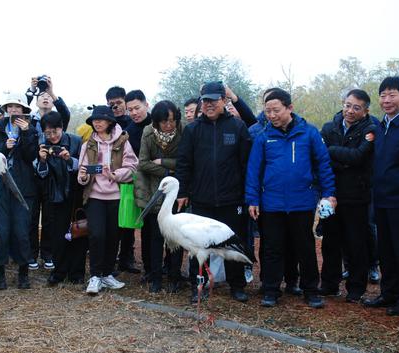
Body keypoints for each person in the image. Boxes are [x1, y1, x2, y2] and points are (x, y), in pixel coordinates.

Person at [246, 89, 335, 308]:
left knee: (304, 247)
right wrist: (252, 199)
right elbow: (253, 170)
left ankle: (311, 290)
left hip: (301, 202)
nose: (272, 115)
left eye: (276, 110)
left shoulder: (309, 133)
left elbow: (323, 164)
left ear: (290, 108)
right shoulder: (264, 137)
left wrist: (329, 193)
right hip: (272, 203)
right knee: (272, 248)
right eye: (267, 111)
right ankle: (271, 290)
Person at [175, 81, 251, 304]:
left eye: (213, 100)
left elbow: (246, 164)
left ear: (224, 101)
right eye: (205, 100)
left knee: (231, 245)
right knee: (198, 248)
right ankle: (197, 287)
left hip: (232, 199)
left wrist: (247, 196)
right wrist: (183, 191)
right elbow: (184, 163)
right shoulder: (192, 130)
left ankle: (237, 286)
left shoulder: (237, 127)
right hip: (201, 200)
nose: (208, 104)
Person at [363, 77, 399, 316]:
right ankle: (389, 293)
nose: (386, 100)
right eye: (383, 95)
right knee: (385, 249)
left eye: (392, 94)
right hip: (382, 198)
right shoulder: (379, 127)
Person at [320, 89, 377, 302]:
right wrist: (345, 159)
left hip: (357, 196)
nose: (350, 111)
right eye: (347, 105)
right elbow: (321, 160)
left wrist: (333, 151)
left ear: (365, 110)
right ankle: (328, 284)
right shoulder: (328, 127)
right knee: (330, 242)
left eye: (356, 107)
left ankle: (356, 288)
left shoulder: (371, 129)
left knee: (356, 244)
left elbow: (360, 157)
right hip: (332, 195)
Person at [77, 105, 138, 295]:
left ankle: (107, 274)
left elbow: (133, 167)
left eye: (101, 119)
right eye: (94, 120)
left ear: (110, 122)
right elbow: (82, 171)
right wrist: (84, 176)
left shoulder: (123, 141)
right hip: (94, 195)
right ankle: (95, 276)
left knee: (113, 236)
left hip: (117, 196)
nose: (97, 122)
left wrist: (115, 175)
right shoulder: (88, 144)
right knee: (96, 234)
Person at [0, 92, 39, 290]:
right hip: (0, 187)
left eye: (18, 107)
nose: (14, 110)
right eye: (10, 107)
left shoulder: (32, 129)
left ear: (24, 111)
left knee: (21, 231)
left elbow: (31, 157)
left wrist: (26, 134)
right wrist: (4, 146)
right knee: (2, 230)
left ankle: (23, 273)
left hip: (24, 187)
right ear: (5, 110)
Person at [135, 100, 184, 293]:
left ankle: (174, 277)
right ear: (156, 121)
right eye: (164, 121)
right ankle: (156, 278)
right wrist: (166, 173)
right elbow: (143, 163)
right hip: (154, 191)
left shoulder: (183, 130)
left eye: (172, 120)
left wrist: (164, 161)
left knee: (176, 240)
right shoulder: (148, 132)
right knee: (156, 238)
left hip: (177, 193)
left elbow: (185, 161)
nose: (169, 125)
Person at [35, 111, 86, 285]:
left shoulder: (76, 141)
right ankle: (59, 272)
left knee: (79, 232)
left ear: (61, 128)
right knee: (58, 236)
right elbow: (41, 175)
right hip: (54, 195)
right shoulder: (42, 146)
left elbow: (83, 167)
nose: (52, 136)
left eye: (55, 132)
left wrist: (68, 158)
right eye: (47, 133)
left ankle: (77, 273)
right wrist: (41, 160)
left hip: (76, 194)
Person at [25, 76, 71, 271]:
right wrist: (29, 89)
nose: (45, 98)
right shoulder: (29, 119)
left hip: (52, 177)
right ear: (35, 100)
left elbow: (65, 112)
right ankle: (31, 254)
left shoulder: (57, 121)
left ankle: (48, 254)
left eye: (48, 96)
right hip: (32, 175)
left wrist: (52, 90)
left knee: (50, 217)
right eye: (41, 95)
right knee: (32, 217)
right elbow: (18, 111)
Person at [119, 90, 152, 275]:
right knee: (131, 225)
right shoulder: (128, 132)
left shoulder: (159, 124)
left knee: (155, 228)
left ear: (146, 105)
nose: (134, 113)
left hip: (158, 183)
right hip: (136, 185)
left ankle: (160, 267)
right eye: (130, 109)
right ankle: (131, 262)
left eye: (137, 108)